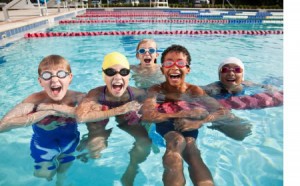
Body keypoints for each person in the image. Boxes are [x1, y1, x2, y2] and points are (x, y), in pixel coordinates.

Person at [141, 44, 234, 186]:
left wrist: (199, 122)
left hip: (190, 125)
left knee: (191, 150)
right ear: (162, 69)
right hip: (164, 125)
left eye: (180, 63)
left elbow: (223, 111)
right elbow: (146, 115)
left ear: (188, 69)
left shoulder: (194, 91)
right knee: (176, 141)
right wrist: (181, 113)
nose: (174, 66)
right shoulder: (156, 90)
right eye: (168, 62)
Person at [0, 55, 85, 186]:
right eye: (47, 75)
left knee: (64, 169)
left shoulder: (77, 97)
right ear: (40, 81)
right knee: (43, 174)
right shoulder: (34, 100)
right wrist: (45, 112)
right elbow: (3, 126)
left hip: (69, 140)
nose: (54, 80)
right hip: (43, 143)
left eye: (61, 74)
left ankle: (60, 181)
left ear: (70, 78)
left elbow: (95, 114)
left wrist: (55, 108)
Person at [75, 52, 152, 186]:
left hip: (125, 119)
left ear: (128, 75)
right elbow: (80, 117)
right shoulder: (96, 93)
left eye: (123, 72)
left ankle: (132, 168)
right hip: (101, 120)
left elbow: (155, 105)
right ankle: (88, 140)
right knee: (95, 150)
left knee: (145, 142)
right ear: (104, 75)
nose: (117, 77)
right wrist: (118, 110)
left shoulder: (136, 93)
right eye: (111, 72)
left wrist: (145, 120)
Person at [202, 57, 277, 140]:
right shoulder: (213, 89)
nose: (231, 73)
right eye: (225, 70)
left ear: (242, 76)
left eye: (237, 70)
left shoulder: (247, 84)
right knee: (242, 131)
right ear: (219, 76)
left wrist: (270, 88)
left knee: (272, 82)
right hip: (221, 105)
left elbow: (263, 86)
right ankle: (219, 124)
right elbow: (196, 91)